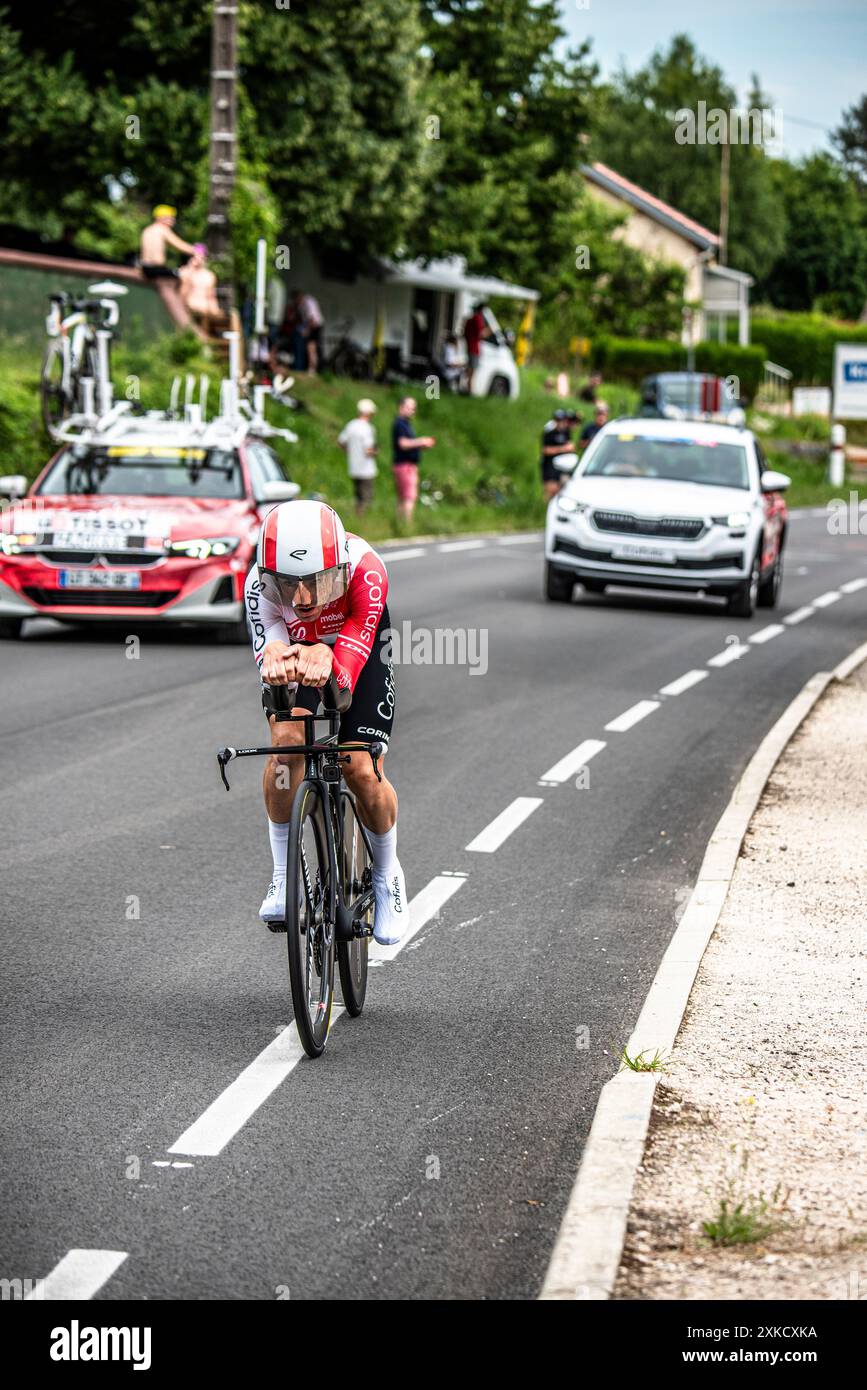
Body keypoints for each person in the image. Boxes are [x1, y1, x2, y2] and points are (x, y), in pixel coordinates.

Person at [244, 499, 407, 947]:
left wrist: (328, 656)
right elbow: (271, 656)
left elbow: (346, 678)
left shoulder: (367, 570)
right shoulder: (256, 587)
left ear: (338, 566)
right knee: (285, 744)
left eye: (318, 581)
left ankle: (387, 874)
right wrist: (276, 659)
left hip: (360, 647)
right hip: (303, 652)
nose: (303, 598)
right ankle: (282, 876)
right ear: (268, 576)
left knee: (358, 765)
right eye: (288, 585)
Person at [392, 396, 435, 526]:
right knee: (409, 497)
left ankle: (400, 524)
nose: (412, 411)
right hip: (405, 465)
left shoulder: (405, 424)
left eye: (413, 408)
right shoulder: (400, 423)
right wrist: (421, 441)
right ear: (401, 407)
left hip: (403, 464)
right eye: (409, 407)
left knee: (402, 497)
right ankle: (407, 524)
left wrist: (420, 446)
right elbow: (403, 443)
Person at [338, 398, 378, 514]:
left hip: (354, 466)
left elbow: (341, 441)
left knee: (358, 497)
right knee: (366, 499)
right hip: (366, 468)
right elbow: (369, 450)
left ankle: (358, 516)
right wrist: (376, 451)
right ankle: (362, 519)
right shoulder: (367, 428)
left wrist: (349, 452)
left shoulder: (351, 425)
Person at [139, 205, 196, 281]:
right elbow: (182, 246)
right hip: (155, 269)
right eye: (170, 218)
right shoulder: (162, 229)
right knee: (185, 274)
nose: (173, 221)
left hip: (145, 268)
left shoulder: (147, 230)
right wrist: (200, 250)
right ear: (160, 218)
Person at [177, 245, 224, 334]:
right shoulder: (183, 272)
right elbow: (181, 294)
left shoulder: (209, 276)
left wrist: (216, 311)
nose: (198, 259)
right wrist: (190, 270)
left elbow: (211, 296)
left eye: (201, 257)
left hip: (203, 310)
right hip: (187, 308)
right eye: (195, 256)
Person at [540, 407, 577, 500]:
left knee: (563, 490)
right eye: (558, 420)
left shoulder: (566, 432)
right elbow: (545, 450)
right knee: (551, 490)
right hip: (549, 466)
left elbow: (571, 446)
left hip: (563, 466)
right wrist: (563, 449)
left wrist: (571, 448)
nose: (560, 422)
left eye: (562, 420)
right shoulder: (549, 432)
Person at [291, 289, 324, 374]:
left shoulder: (308, 302)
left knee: (311, 349)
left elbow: (312, 319)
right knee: (311, 348)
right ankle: (312, 369)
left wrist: (307, 330)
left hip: (315, 326)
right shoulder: (302, 304)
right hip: (313, 326)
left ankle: (312, 370)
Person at [462, 301, 488, 393]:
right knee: (472, 371)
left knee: (470, 370)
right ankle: (469, 390)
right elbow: (481, 334)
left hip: (469, 347)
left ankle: (466, 388)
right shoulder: (478, 318)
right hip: (474, 348)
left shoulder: (469, 319)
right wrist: (490, 331)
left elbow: (464, 333)